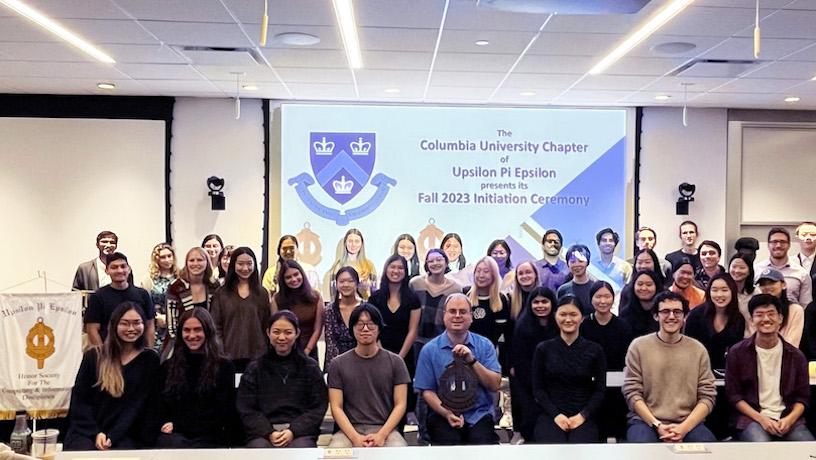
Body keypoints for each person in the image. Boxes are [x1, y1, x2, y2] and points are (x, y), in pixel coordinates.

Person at [623, 291, 717, 443]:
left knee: (710, 452)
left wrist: (684, 427)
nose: (672, 316)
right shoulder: (639, 347)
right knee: (644, 451)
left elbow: (707, 396)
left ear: (685, 317)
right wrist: (657, 424)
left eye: (677, 312)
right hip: (646, 421)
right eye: (665, 311)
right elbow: (632, 393)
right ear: (656, 316)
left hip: (689, 422)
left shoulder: (698, 349)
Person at [65, 303, 160, 450]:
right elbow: (80, 401)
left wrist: (113, 436)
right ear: (114, 325)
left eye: (137, 323)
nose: (131, 329)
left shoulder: (149, 360)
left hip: (128, 432)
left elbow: (139, 405)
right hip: (89, 432)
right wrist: (95, 433)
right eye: (125, 323)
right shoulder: (93, 356)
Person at [414, 293, 502, 445]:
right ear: (444, 315)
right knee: (449, 442)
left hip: (479, 414)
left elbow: (494, 385)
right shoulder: (429, 350)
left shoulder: (485, 345)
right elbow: (427, 392)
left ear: (471, 316)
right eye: (452, 311)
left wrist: (472, 360)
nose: (457, 316)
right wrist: (447, 413)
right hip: (442, 414)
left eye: (463, 312)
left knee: (481, 442)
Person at [725, 294, 814, 442]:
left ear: (780, 319)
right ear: (752, 321)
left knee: (808, 448)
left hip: (788, 418)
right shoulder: (737, 352)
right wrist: (762, 419)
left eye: (771, 314)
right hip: (752, 419)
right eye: (759, 315)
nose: (766, 319)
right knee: (762, 447)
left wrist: (790, 420)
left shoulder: (796, 356)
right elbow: (734, 396)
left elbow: (803, 398)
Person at [237, 310, 328, 448]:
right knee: (259, 450)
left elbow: (317, 407)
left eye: (288, 332)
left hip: (300, 434)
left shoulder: (310, 368)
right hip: (262, 434)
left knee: (300, 451)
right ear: (268, 333)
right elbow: (247, 408)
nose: (281, 337)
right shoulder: (254, 369)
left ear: (297, 333)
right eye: (276, 332)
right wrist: (268, 432)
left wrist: (293, 431)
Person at [327, 304, 411, 447]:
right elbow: (336, 407)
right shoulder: (337, 364)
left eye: (371, 324)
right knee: (335, 451)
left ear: (379, 328)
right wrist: (355, 438)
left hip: (386, 430)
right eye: (360, 324)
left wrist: (382, 435)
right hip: (348, 431)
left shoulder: (396, 362)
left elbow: (400, 404)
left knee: (399, 452)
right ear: (352, 329)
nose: (365, 329)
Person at [157, 308, 236, 448]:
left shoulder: (224, 367)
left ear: (208, 331)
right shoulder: (168, 367)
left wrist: (180, 425)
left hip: (211, 435)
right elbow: (164, 407)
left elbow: (222, 410)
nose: (192, 335)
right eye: (186, 330)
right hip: (177, 437)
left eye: (198, 329)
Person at [531, 296, 606, 443]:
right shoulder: (543, 349)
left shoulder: (595, 350)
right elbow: (538, 389)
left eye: (573, 314)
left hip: (584, 415)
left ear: (582, 318)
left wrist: (583, 415)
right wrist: (556, 415)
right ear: (555, 316)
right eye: (563, 314)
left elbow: (600, 390)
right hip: (550, 414)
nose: (568, 319)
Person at [368, 255, 421, 412]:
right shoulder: (375, 298)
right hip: (377, 353)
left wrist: (399, 357)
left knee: (402, 400)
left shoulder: (412, 299)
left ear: (406, 272)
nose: (396, 271)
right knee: (379, 398)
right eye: (393, 267)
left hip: (404, 355)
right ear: (386, 270)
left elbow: (413, 330)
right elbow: (372, 327)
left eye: (400, 268)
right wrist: (382, 353)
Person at [210, 246, 271, 372]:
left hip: (258, 358)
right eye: (240, 264)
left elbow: (267, 325)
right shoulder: (221, 293)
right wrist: (221, 353)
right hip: (229, 358)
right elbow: (215, 327)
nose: (245, 268)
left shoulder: (262, 293)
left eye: (249, 264)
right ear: (233, 265)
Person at [510, 287, 559, 442]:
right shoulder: (522, 327)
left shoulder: (560, 326)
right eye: (536, 302)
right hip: (528, 387)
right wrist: (537, 390)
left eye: (544, 301)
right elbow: (520, 364)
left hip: (555, 387)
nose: (540, 305)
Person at [85, 252, 155, 348]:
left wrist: (149, 352)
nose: (119, 270)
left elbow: (150, 326)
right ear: (107, 270)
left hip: (138, 352)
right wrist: (103, 355)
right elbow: (92, 329)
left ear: (129, 269)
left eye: (123, 266)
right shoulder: (97, 297)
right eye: (114, 267)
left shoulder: (142, 294)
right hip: (110, 352)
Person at [162, 247, 221, 360]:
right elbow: (172, 327)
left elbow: (217, 320)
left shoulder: (215, 286)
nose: (195, 263)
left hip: (209, 345)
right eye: (192, 260)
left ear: (207, 262)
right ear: (186, 263)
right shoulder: (176, 287)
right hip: (181, 344)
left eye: (199, 260)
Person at [684, 273, 745, 371]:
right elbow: (688, 348)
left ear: (732, 292)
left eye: (724, 290)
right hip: (698, 371)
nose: (719, 294)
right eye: (714, 290)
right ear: (709, 292)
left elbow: (736, 352)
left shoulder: (738, 318)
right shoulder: (696, 315)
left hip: (726, 373)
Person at [409, 249, 464, 350]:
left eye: (439, 260)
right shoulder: (416, 284)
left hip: (444, 342)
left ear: (446, 262)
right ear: (426, 264)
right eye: (431, 261)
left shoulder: (455, 288)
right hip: (417, 341)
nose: (435, 263)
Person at [271, 259, 323, 362]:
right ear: (283, 280)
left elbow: (318, 329)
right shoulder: (276, 299)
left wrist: (307, 351)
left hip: (309, 352)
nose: (294, 279)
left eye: (296, 274)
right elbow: (275, 329)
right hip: (284, 352)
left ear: (302, 274)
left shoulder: (315, 297)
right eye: (288, 277)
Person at [580, 281, 633, 371]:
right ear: (591, 299)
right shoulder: (583, 325)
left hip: (616, 377)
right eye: (598, 297)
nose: (603, 301)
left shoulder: (623, 326)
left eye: (607, 296)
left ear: (613, 298)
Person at [755, 227, 812, 307]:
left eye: (783, 242)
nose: (778, 245)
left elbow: (806, 306)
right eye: (774, 242)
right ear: (768, 245)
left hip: (793, 318)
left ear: (789, 245)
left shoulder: (802, 274)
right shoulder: (756, 270)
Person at [323, 266, 365, 369]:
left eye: (350, 281)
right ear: (336, 284)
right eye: (342, 281)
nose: (346, 285)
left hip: (362, 362)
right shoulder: (330, 310)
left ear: (357, 283)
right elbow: (331, 343)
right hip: (336, 363)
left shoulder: (366, 308)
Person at [140, 243, 179, 350]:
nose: (167, 260)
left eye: (169, 256)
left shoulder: (180, 276)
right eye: (163, 257)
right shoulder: (149, 279)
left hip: (177, 325)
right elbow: (143, 304)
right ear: (157, 259)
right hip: (156, 326)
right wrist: (157, 317)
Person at [466, 256, 509, 346]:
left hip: (488, 350)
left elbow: (497, 334)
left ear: (494, 275)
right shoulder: (465, 294)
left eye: (486, 272)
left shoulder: (502, 299)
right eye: (478, 271)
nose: (481, 275)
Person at [756, 267, 804, 347]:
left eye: (771, 283)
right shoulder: (756, 309)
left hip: (787, 355)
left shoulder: (795, 310)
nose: (767, 287)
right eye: (763, 284)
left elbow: (793, 342)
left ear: (783, 285)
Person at [327, 229, 378, 299]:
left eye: (357, 241)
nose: (353, 245)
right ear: (345, 243)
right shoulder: (338, 266)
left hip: (364, 307)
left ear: (361, 244)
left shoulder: (369, 265)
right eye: (350, 241)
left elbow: (374, 291)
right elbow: (334, 294)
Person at [619, 270, 663, 339]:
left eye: (649, 285)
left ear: (656, 286)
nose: (644, 288)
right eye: (640, 284)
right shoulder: (625, 314)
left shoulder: (664, 313)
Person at [556, 244, 595, 315]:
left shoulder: (595, 288)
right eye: (573, 261)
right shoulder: (562, 290)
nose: (577, 265)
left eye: (581, 261)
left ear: (587, 262)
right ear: (568, 264)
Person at [591, 228, 632, 292]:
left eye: (611, 240)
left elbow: (629, 289)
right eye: (604, 240)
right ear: (598, 244)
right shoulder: (591, 266)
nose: (607, 243)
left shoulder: (625, 266)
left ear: (615, 244)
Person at [729, 253, 756, 335]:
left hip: (749, 336)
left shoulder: (756, 292)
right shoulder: (724, 290)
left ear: (749, 271)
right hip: (728, 337)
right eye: (734, 267)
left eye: (742, 268)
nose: (737, 271)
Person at [794, 221, 816, 286]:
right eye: (804, 235)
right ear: (797, 238)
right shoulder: (789, 262)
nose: (808, 238)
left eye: (813, 235)